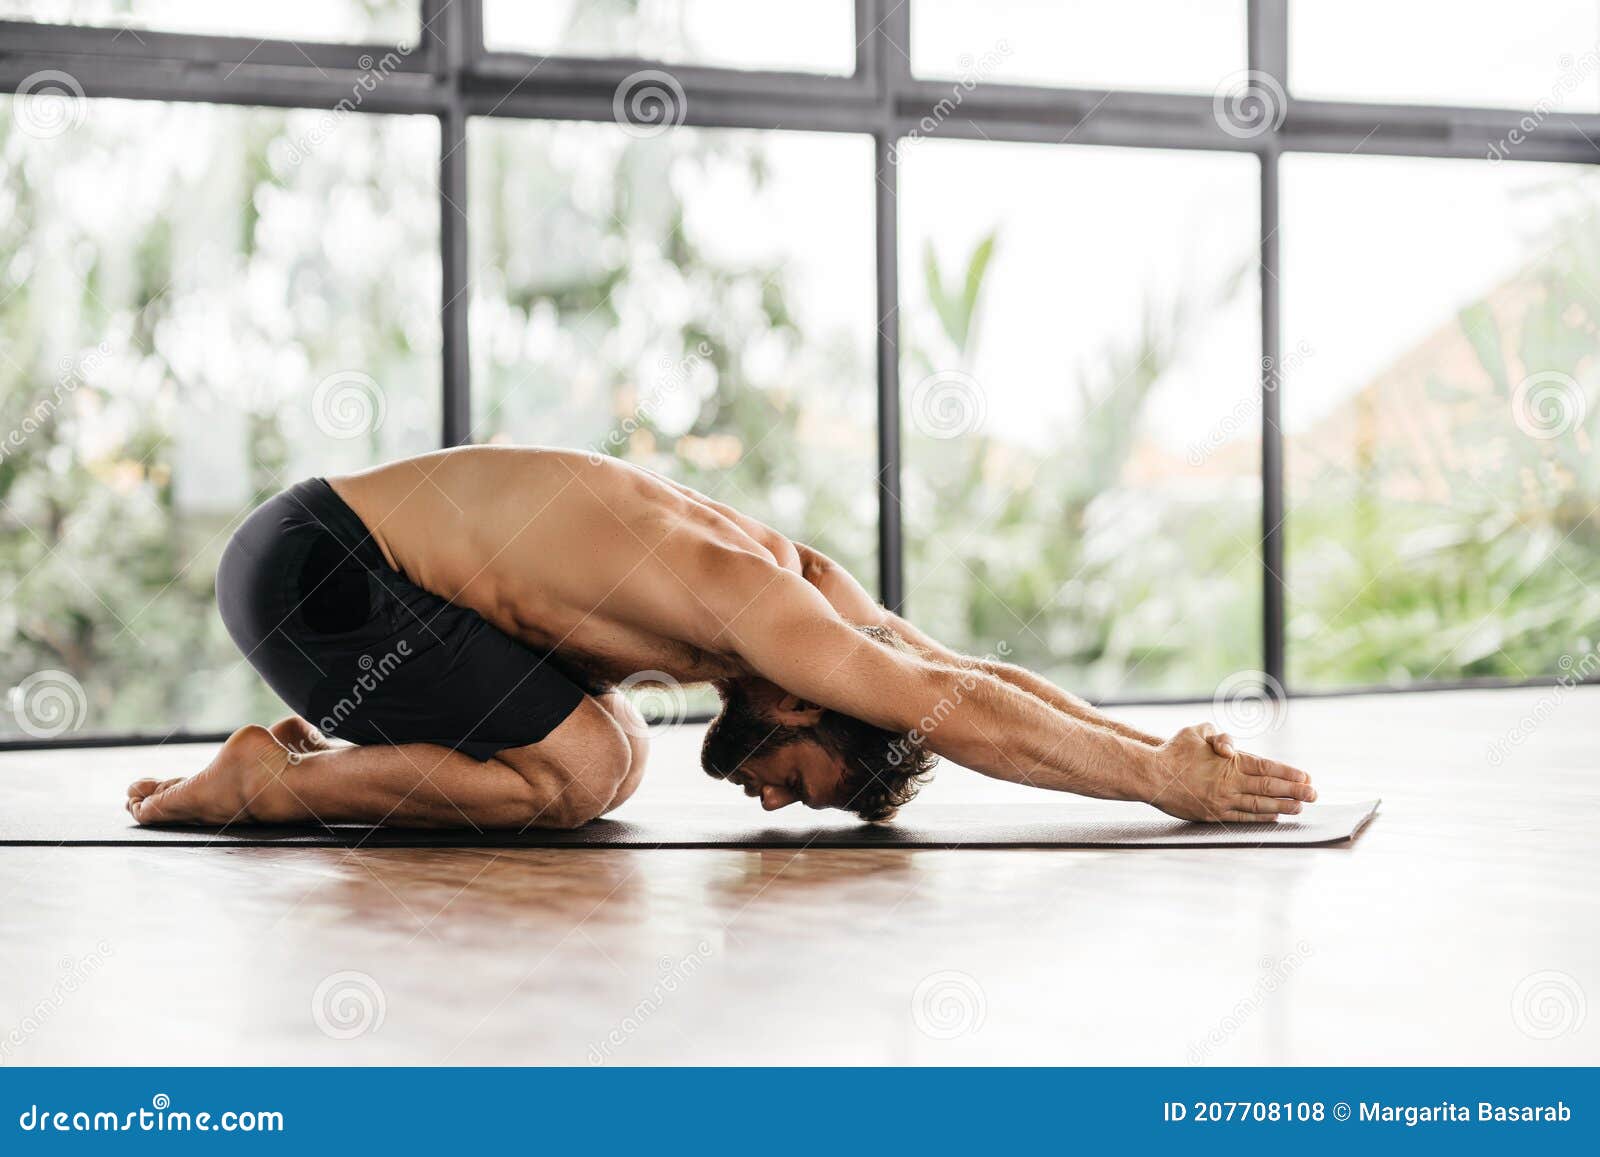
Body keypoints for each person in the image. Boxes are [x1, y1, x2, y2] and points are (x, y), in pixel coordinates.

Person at [125, 446, 1315, 830]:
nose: (770, 801)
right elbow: (956, 713)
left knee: (619, 749)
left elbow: (959, 673)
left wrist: (1156, 741)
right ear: (801, 702)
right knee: (583, 768)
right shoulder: (774, 618)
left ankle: (295, 757)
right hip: (320, 573)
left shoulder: (805, 585)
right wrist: (1157, 783)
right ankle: (269, 784)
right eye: (800, 784)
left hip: (329, 560)